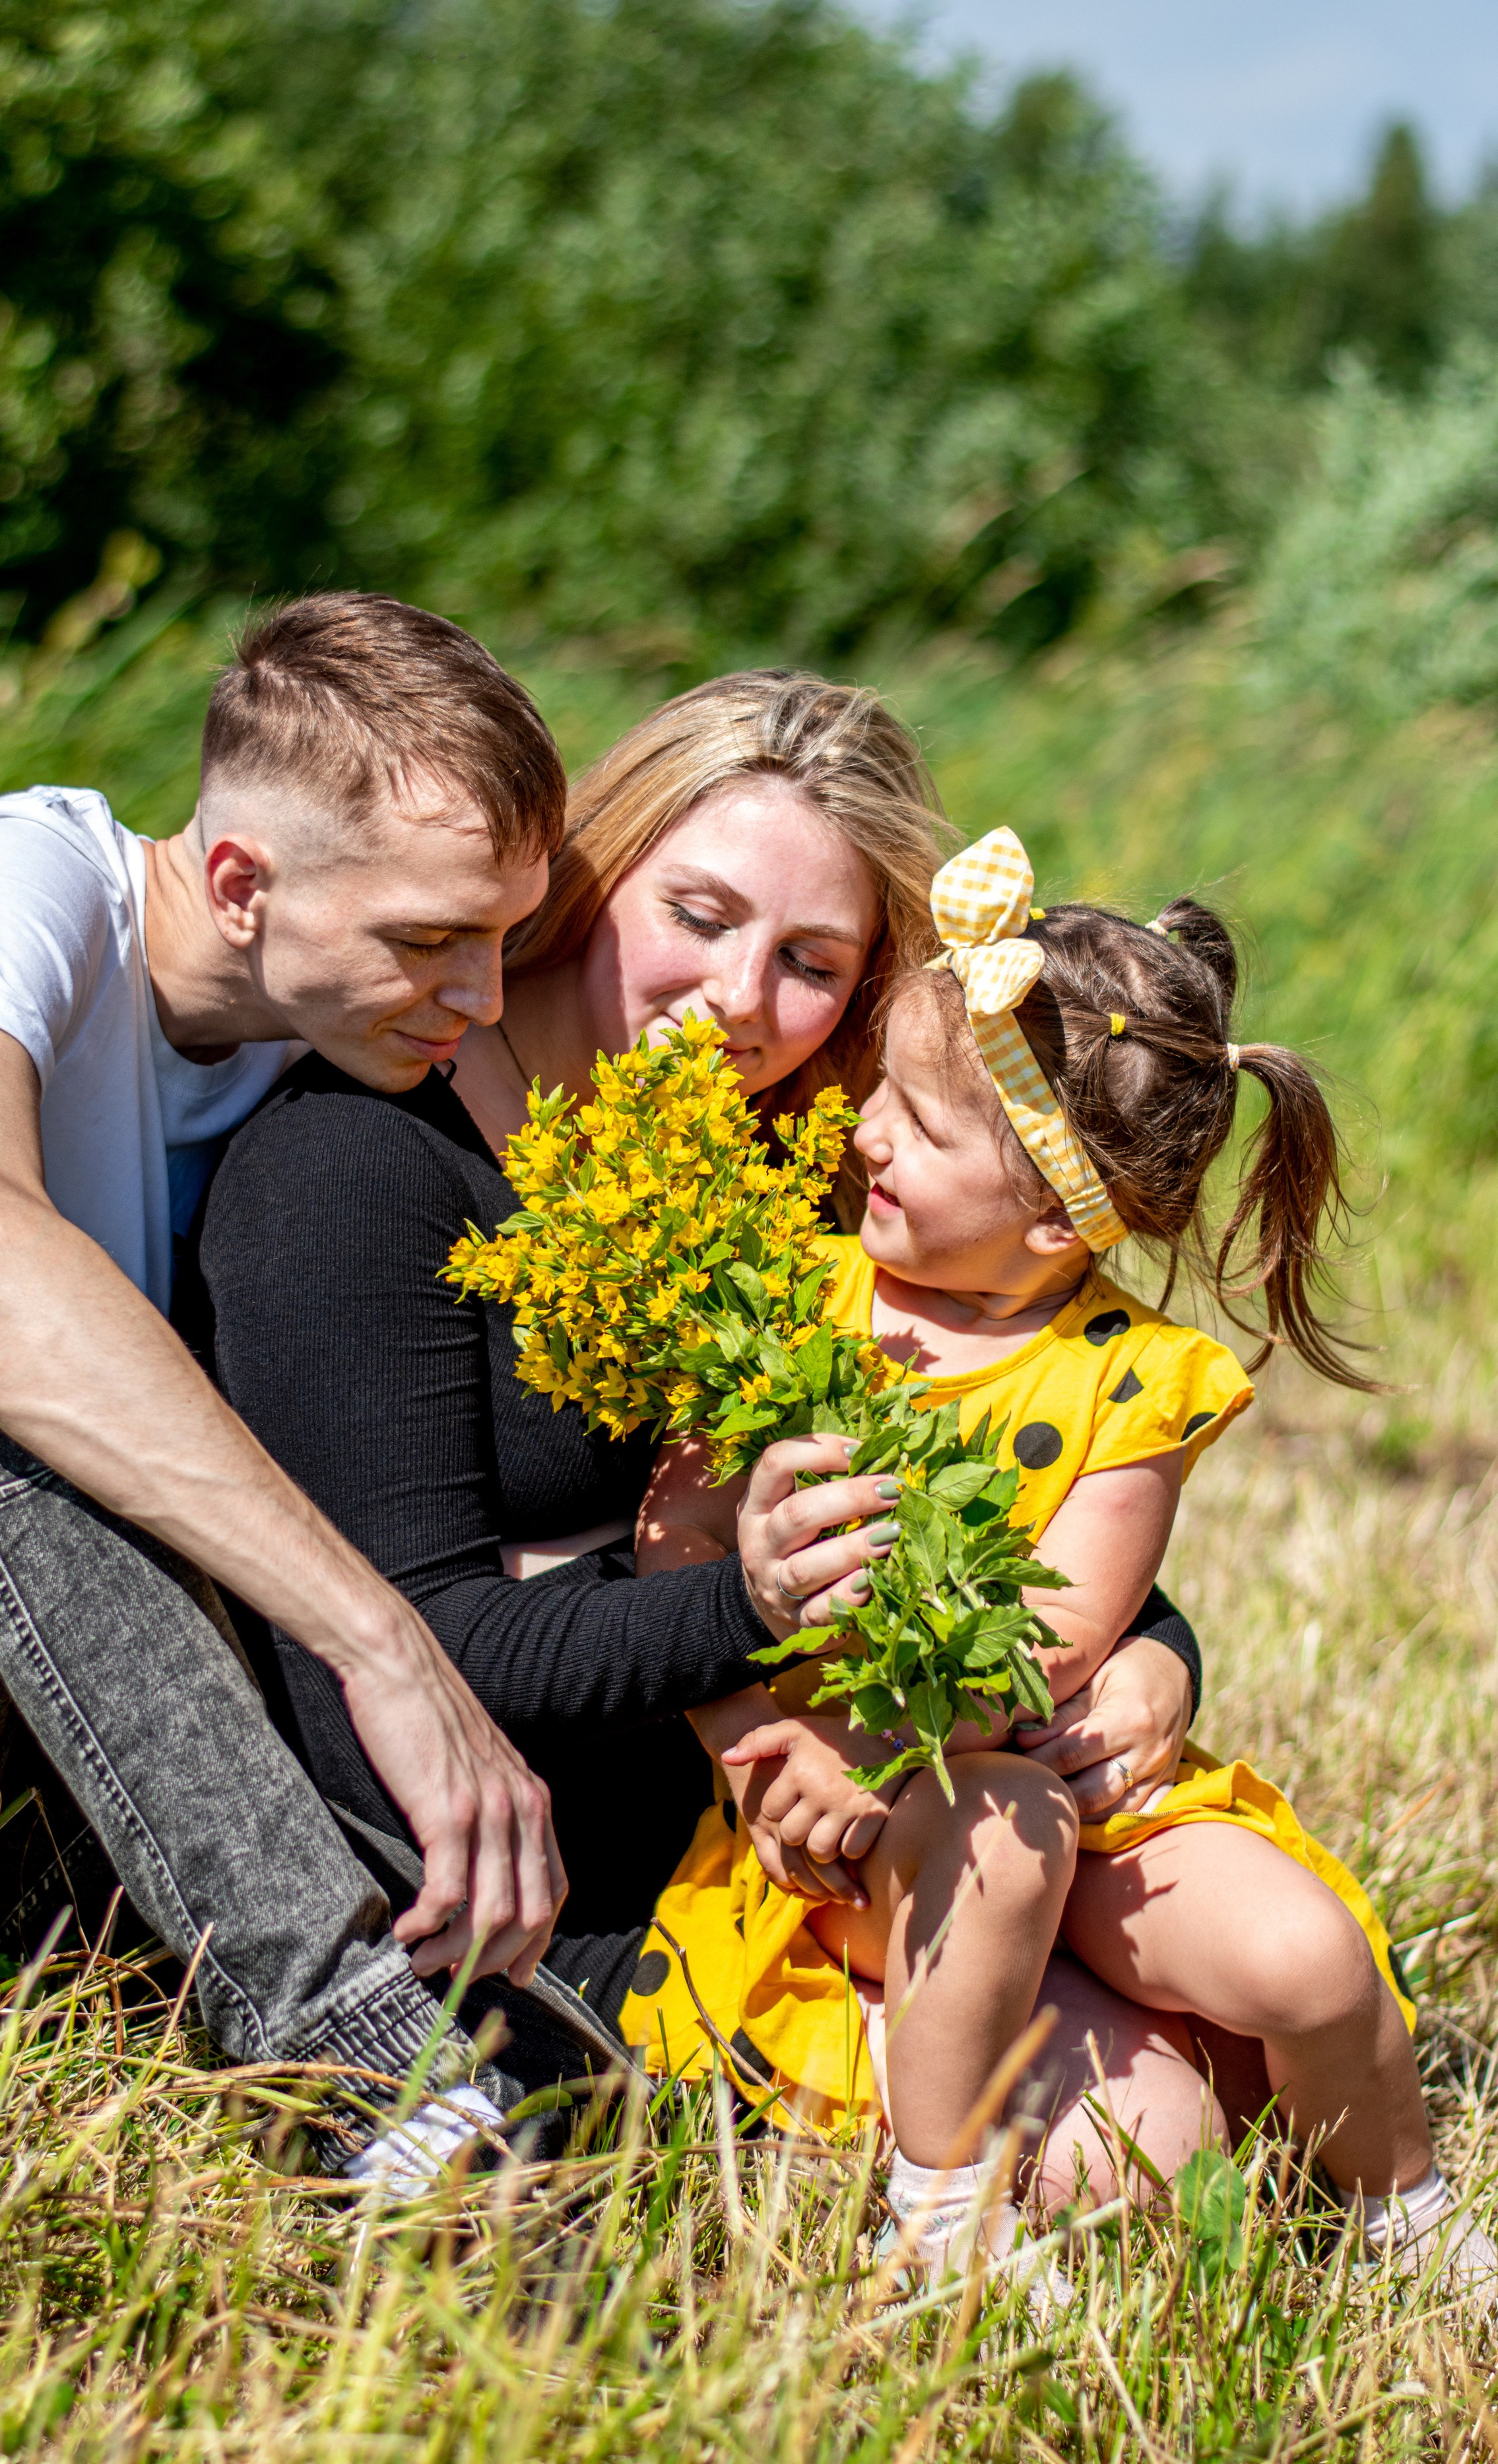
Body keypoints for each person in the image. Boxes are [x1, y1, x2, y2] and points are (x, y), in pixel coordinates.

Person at [197, 677, 1219, 2196]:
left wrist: (1153, 1652)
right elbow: (406, 1658)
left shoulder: (797, 1166)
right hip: (549, 1902)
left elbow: (998, 1464)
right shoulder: (355, 1165)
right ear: (590, 869)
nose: (738, 1000)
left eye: (809, 961)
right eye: (695, 910)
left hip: (823, 1836)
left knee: (1236, 2058)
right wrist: (746, 1628)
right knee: (1139, 2145)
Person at [631, 824, 1493, 2292]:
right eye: (884, 1100)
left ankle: (1404, 2213)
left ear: (1052, 1213)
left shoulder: (1128, 1384)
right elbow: (679, 1531)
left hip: (1052, 1767)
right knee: (1012, 1836)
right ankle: (941, 2209)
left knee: (1300, 1953)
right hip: (881, 1820)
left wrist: (975, 1717)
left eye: (918, 1120)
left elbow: (1047, 1646)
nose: (864, 1135)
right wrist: (773, 1736)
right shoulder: (794, 1293)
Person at [0, 591, 575, 2176]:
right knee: (3, 1387)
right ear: (239, 881)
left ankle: (536, 2047)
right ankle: (384, 2082)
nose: (482, 993)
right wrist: (380, 1638)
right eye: (428, 939)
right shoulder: (17, 886)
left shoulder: (326, 1050)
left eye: (502, 936)